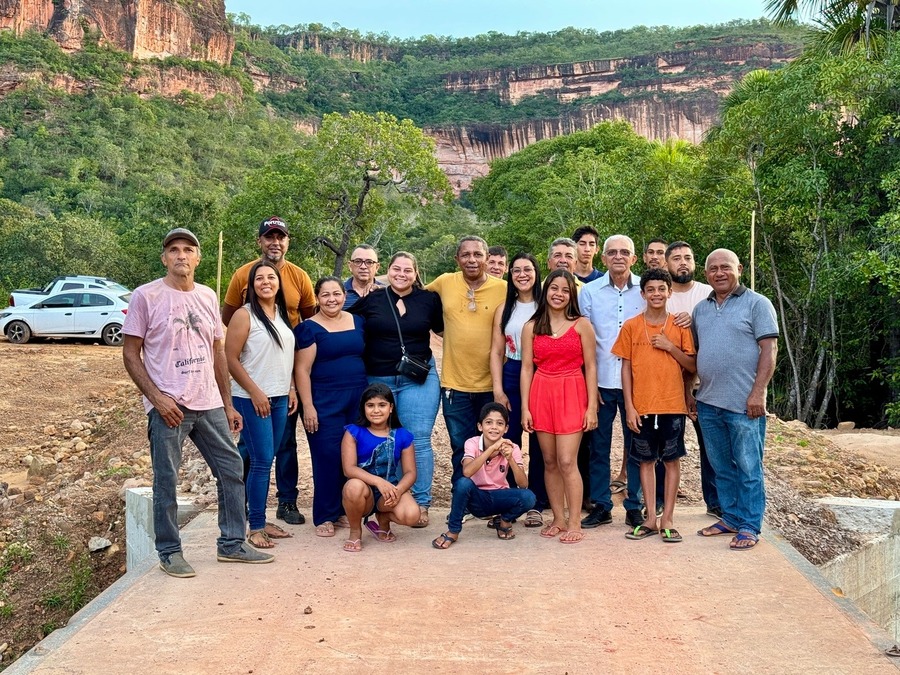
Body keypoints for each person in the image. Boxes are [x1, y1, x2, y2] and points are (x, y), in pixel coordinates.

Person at [123, 228, 273, 578]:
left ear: (198, 258)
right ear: (164, 258)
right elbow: (130, 354)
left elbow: (217, 351)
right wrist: (157, 399)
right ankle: (170, 551)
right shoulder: (146, 296)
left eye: (188, 250)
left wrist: (227, 403)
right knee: (166, 479)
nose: (181, 255)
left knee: (231, 469)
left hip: (209, 403)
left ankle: (232, 543)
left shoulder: (207, 296)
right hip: (169, 407)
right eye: (174, 250)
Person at [222, 216, 316, 527]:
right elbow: (229, 319)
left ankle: (286, 501)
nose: (275, 242)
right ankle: (243, 507)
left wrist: (293, 383)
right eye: (269, 237)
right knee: (251, 450)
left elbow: (309, 323)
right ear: (260, 241)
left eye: (280, 237)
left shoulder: (299, 277)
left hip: (284, 380)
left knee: (285, 444)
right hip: (254, 382)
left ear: (288, 241)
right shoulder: (242, 275)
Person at [350, 252, 444, 528]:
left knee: (418, 439)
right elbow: (345, 322)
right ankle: (381, 497)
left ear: (416, 274)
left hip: (418, 379)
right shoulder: (373, 299)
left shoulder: (429, 300)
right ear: (387, 271)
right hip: (379, 380)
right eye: (396, 269)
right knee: (381, 439)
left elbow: (445, 332)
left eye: (407, 270)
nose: (401, 274)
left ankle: (421, 501)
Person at [693, 249, 778, 551]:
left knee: (748, 467)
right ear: (706, 274)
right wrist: (692, 394)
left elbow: (769, 350)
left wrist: (758, 392)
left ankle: (749, 525)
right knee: (720, 467)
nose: (719, 273)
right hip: (708, 403)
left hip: (744, 404)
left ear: (739, 269)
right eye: (713, 268)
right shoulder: (700, 310)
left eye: (725, 267)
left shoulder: (757, 303)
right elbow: (699, 354)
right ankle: (730, 517)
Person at [613, 269, 695, 543]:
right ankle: (649, 518)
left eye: (661, 289)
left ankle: (668, 519)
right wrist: (629, 406)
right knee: (645, 461)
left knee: (671, 461)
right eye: (651, 289)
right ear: (643, 293)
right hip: (643, 406)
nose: (656, 294)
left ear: (670, 292)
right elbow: (625, 368)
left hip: (672, 405)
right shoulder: (631, 326)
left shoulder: (680, 326)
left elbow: (692, 365)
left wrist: (671, 347)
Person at [521, 269, 598, 544]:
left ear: (571, 295)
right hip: (541, 392)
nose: (559, 294)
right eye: (554, 288)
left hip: (572, 391)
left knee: (567, 460)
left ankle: (575, 521)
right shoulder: (531, 327)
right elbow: (527, 368)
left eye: (565, 290)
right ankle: (558, 518)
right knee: (550, 461)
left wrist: (591, 407)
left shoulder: (582, 325)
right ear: (546, 291)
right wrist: (525, 408)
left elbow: (591, 367)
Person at [225, 260, 297, 550]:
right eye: (259, 278)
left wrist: (291, 388)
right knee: (262, 460)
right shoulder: (244, 315)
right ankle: (255, 527)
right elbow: (230, 358)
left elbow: (285, 355)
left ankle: (260, 519)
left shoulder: (281, 314)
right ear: (251, 285)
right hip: (252, 399)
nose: (266, 282)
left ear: (279, 283)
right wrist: (255, 392)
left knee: (268, 459)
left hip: (279, 398)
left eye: (271, 277)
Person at [426, 236, 506, 488]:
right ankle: (463, 498)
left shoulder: (503, 288)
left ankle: (492, 495)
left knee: (493, 445)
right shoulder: (444, 282)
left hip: (492, 384)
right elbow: (411, 289)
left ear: (487, 258)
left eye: (477, 254)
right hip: (455, 385)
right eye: (466, 255)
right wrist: (376, 284)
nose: (472, 259)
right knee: (460, 446)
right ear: (457, 259)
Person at [579, 234, 645, 530]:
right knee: (598, 447)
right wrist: (589, 386)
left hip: (638, 384)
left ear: (634, 258)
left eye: (624, 252)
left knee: (637, 447)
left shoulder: (645, 289)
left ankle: (634, 506)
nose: (618, 256)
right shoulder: (590, 292)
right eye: (612, 252)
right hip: (602, 383)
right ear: (603, 258)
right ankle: (601, 505)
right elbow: (583, 342)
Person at [294, 277, 368, 537]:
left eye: (336, 293)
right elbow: (302, 370)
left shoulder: (358, 321)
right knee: (327, 455)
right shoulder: (308, 328)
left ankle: (346, 509)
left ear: (344, 295)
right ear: (317, 298)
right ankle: (325, 515)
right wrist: (308, 406)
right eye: (325, 295)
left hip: (357, 398)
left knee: (353, 456)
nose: (332, 299)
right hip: (324, 401)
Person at [490, 252, 547, 527]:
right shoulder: (504, 309)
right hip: (512, 372)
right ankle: (512, 499)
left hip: (543, 372)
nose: (522, 275)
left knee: (540, 442)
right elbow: (496, 351)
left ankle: (537, 503)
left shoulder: (546, 305)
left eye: (528, 269)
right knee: (509, 440)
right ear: (510, 275)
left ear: (536, 272)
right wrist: (498, 390)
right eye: (516, 270)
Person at [432, 403, 536, 549]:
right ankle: (453, 531)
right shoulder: (472, 443)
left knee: (529, 497)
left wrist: (510, 458)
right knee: (462, 483)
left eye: (500, 423)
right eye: (488, 422)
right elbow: (467, 472)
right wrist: (491, 449)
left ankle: (504, 520)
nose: (494, 427)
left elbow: (523, 484)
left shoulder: (513, 447)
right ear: (480, 426)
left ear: (506, 428)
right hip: (477, 498)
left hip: (499, 497)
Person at [665, 241, 719, 518]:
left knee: (711, 447)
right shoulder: (659, 293)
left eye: (687, 257)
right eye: (676, 258)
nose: (683, 262)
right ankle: (659, 502)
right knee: (665, 448)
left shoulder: (708, 294)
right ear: (666, 264)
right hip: (666, 385)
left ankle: (716, 502)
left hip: (703, 386)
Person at [340, 383, 420, 552]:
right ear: (363, 408)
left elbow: (410, 472)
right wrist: (378, 482)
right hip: (364, 491)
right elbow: (349, 469)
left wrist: (398, 490)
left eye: (382, 405)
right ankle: (355, 531)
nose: (376, 410)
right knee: (353, 486)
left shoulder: (403, 435)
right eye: (370, 405)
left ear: (391, 408)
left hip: (390, 491)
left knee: (412, 515)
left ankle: (383, 519)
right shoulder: (354, 432)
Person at [343, 244, 384, 310]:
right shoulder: (338, 292)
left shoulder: (386, 293)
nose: (363, 267)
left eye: (369, 262)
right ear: (350, 266)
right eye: (358, 261)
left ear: (377, 267)